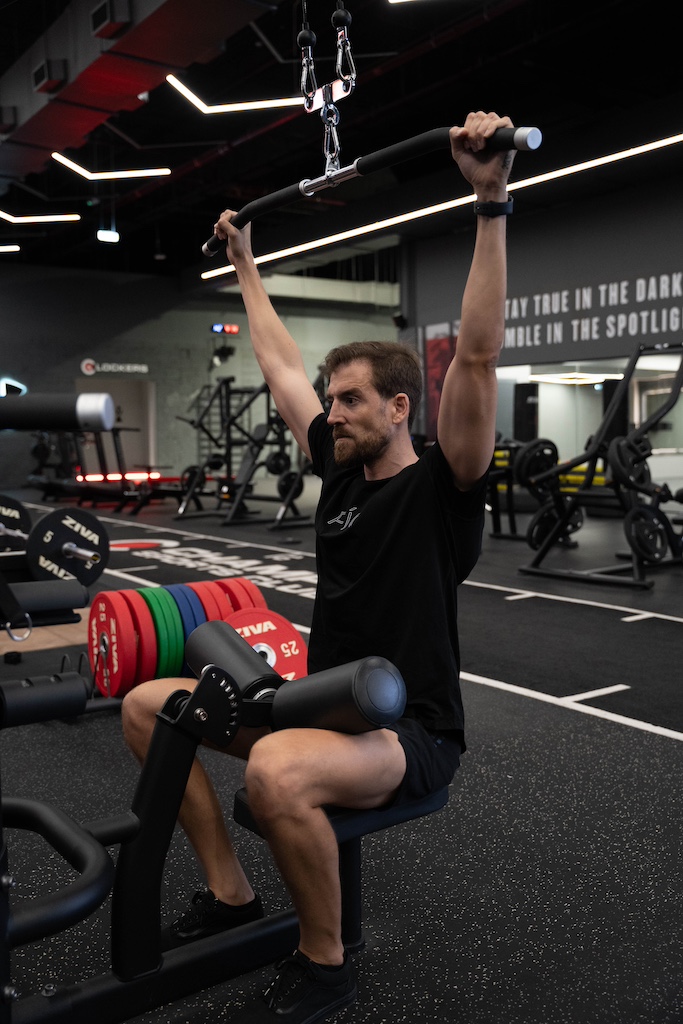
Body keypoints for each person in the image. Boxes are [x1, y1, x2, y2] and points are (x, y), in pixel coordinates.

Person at [121, 109, 516, 1024]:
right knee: (149, 706)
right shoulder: (338, 471)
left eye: (350, 402)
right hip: (324, 697)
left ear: (397, 408)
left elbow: (483, 355)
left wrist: (490, 202)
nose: (330, 413)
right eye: (331, 400)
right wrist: (246, 260)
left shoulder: (441, 488)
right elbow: (278, 360)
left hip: (407, 731)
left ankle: (325, 964)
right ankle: (229, 892)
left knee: (278, 777)